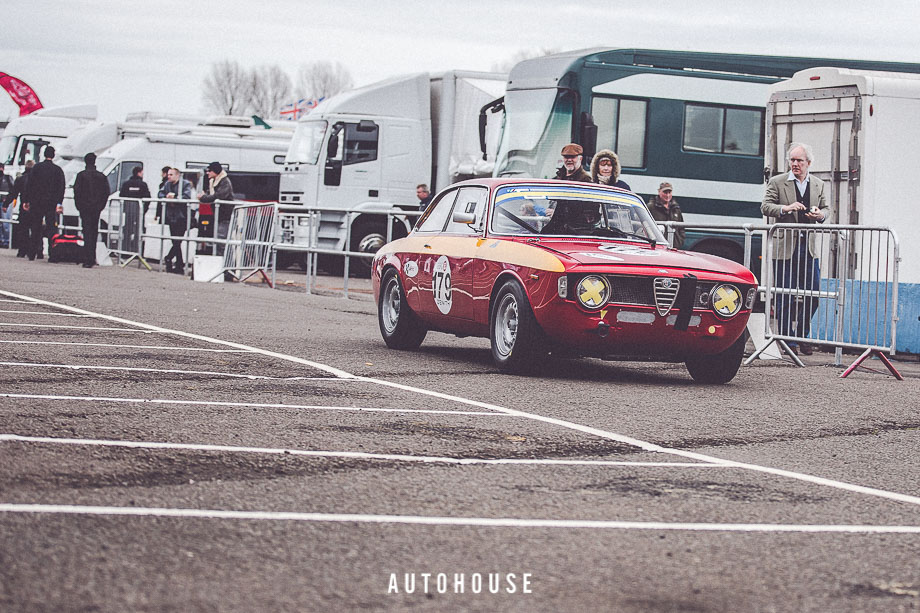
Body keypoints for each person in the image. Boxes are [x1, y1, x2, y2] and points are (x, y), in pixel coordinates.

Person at [761, 142, 828, 356]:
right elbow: (765, 206)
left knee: (814, 293)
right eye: (792, 160)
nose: (795, 164)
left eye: (799, 160)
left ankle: (801, 334)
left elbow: (827, 208)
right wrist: (785, 208)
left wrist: (821, 215)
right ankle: (787, 339)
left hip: (808, 248)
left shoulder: (818, 184)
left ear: (808, 163)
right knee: (785, 295)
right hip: (784, 248)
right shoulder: (777, 182)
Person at [22, 145, 65, 260]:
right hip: (51, 203)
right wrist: (59, 203)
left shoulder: (36, 168)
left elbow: (29, 184)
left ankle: (33, 253)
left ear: (44, 154)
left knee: (35, 227)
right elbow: (61, 188)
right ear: (53, 155)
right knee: (51, 228)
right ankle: (53, 254)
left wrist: (26, 200)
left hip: (37, 202)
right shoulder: (57, 170)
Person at [72, 153, 111, 268]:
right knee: (94, 231)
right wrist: (100, 206)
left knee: (86, 231)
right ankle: (92, 257)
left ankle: (87, 257)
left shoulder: (81, 176)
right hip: (96, 208)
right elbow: (106, 192)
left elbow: (77, 192)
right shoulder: (101, 176)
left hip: (84, 208)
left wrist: (79, 206)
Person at [157, 167, 193, 273]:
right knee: (175, 241)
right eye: (168, 174)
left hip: (182, 216)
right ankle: (179, 265)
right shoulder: (167, 184)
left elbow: (187, 196)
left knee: (178, 240)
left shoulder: (185, 184)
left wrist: (176, 197)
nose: (168, 176)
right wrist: (165, 196)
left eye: (171, 174)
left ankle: (170, 258)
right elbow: (160, 194)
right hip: (171, 216)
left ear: (178, 175)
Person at [198, 161, 233, 252]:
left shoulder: (225, 182)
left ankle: (222, 261)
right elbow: (211, 195)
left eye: (209, 171)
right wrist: (205, 196)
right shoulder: (214, 181)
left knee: (221, 239)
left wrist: (203, 197)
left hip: (225, 216)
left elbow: (218, 196)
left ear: (215, 171)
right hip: (218, 215)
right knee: (219, 239)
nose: (207, 173)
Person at [5, 160, 34, 257]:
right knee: (36, 229)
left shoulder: (20, 179)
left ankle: (22, 250)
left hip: (23, 207)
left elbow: (13, 193)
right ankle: (37, 251)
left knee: (23, 229)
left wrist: (5, 204)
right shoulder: (37, 179)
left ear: (25, 167)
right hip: (35, 207)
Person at [646, 182, 685, 249]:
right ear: (659, 192)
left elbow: (681, 227)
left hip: (674, 246)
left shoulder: (676, 208)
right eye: (665, 192)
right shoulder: (651, 207)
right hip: (658, 246)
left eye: (669, 192)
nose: (667, 195)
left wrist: (680, 240)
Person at [0, 163, 15, 247]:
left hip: (4, 202)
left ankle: (6, 241)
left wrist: (8, 199)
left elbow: (13, 189)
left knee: (6, 223)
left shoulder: (8, 178)